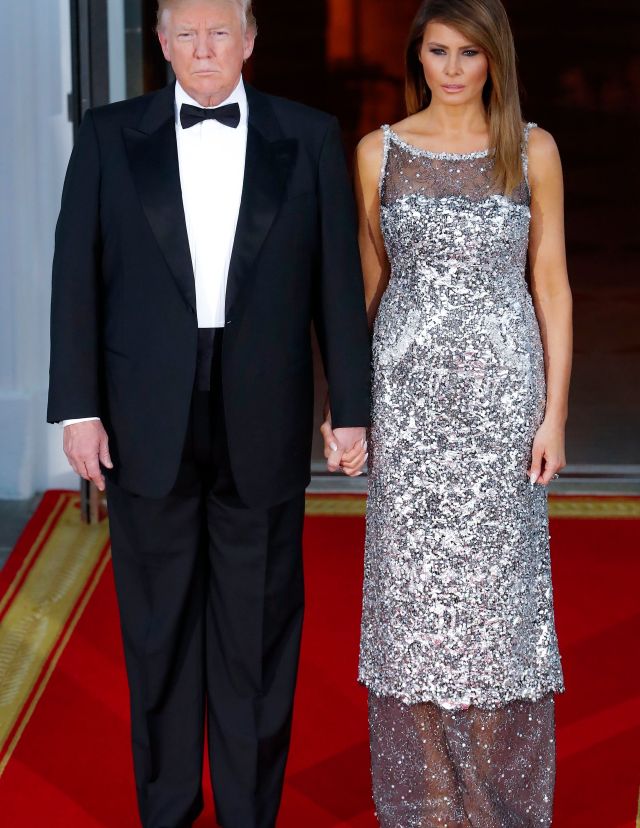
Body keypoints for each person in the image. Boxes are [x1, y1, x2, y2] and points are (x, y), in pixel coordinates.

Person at [47, 1, 370, 826]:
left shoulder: (308, 137)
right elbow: (75, 279)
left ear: (251, 39)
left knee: (257, 639)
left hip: (263, 408)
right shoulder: (108, 136)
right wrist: (78, 408)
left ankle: (248, 816)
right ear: (158, 43)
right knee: (156, 635)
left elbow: (338, 284)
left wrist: (352, 408)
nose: (202, 49)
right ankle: (166, 813)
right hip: (141, 413)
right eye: (184, 33)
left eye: (219, 31)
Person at [321, 0, 572, 823]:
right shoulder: (375, 154)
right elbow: (364, 289)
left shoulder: (532, 150)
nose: (454, 68)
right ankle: (426, 807)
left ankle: (499, 807)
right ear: (417, 57)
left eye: (469, 51)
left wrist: (555, 415)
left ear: (494, 57)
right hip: (408, 406)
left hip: (503, 403)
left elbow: (553, 289)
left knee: (501, 614)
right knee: (413, 609)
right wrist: (342, 408)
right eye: (438, 51)